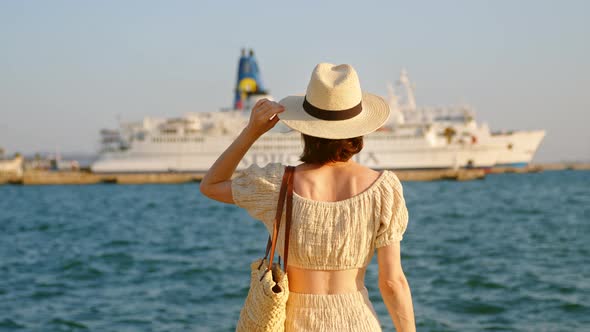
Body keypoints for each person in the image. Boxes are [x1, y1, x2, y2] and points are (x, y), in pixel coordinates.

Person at [200, 63, 415, 331]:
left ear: (306, 129)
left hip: (297, 323)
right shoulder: (384, 188)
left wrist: (251, 132)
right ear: (358, 130)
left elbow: (211, 185)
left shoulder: (277, 183)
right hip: (359, 322)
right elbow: (392, 282)